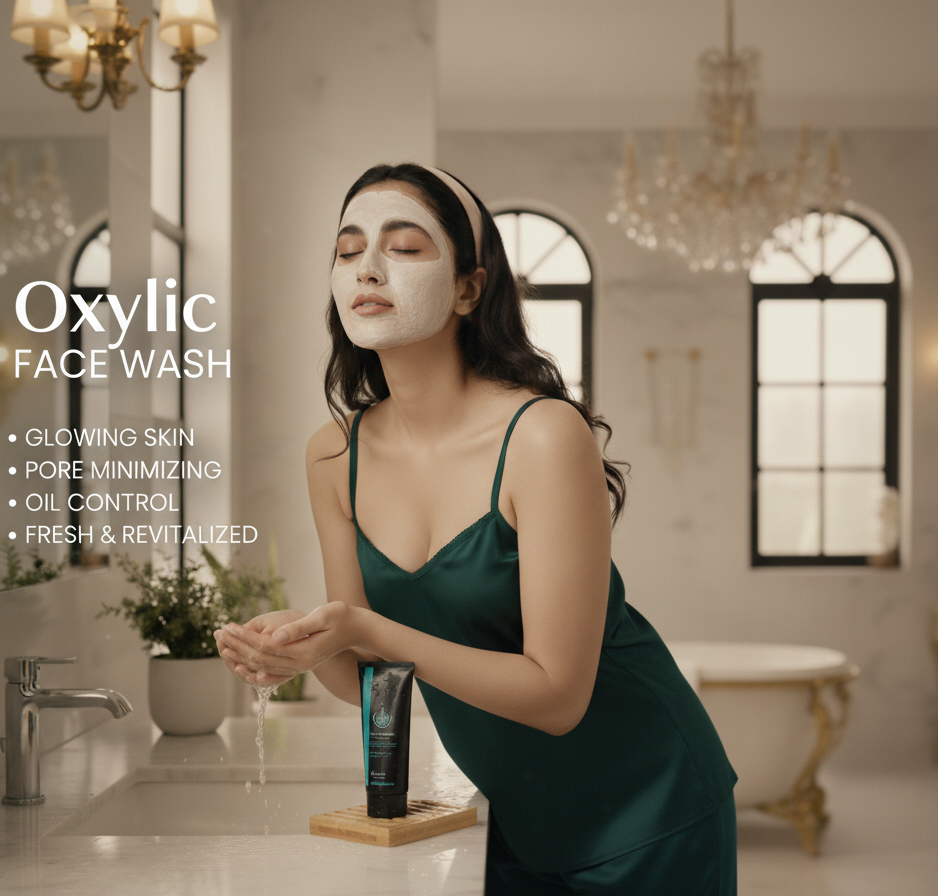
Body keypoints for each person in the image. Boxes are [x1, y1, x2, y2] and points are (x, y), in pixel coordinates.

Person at [213, 162, 738, 895]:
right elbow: (370, 677)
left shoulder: (543, 436)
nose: (366, 266)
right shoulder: (334, 455)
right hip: (516, 814)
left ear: (469, 287)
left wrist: (365, 627)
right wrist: (303, 648)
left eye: (403, 246)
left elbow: (559, 697)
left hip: (650, 807)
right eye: (347, 248)